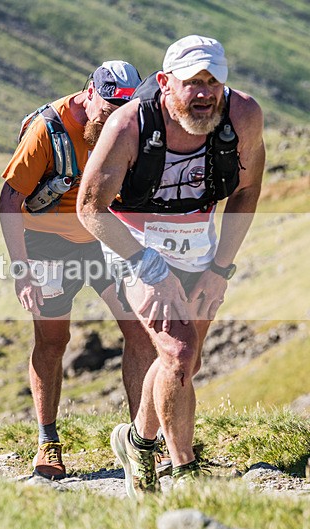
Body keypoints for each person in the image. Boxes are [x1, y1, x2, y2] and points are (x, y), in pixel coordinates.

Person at [77, 36, 265, 497]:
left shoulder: (242, 117)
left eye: (213, 82)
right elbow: (89, 206)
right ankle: (185, 471)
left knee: (186, 362)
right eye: (191, 83)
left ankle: (137, 441)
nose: (204, 94)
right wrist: (147, 266)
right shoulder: (128, 126)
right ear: (164, 83)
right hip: (134, 238)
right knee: (178, 352)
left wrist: (220, 270)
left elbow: (246, 190)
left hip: (198, 238)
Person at [0, 61, 157, 479]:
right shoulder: (47, 130)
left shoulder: (134, 124)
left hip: (105, 235)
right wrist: (21, 271)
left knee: (140, 331)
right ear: (90, 93)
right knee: (53, 340)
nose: (114, 118)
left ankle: (144, 441)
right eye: (107, 108)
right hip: (47, 242)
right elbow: (9, 200)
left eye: (124, 107)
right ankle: (48, 440)